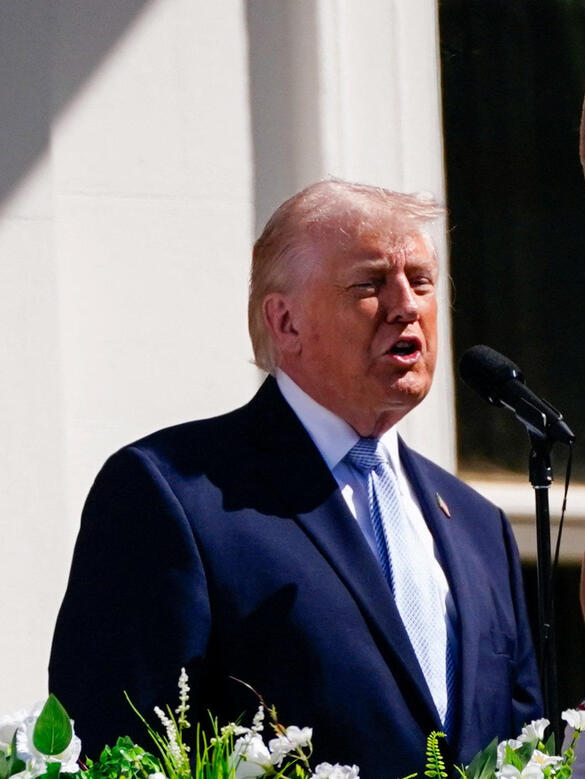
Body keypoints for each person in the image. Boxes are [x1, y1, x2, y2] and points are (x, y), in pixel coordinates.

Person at [49, 179, 542, 776]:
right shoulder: (174, 493)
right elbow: (116, 750)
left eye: (421, 281)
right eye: (369, 284)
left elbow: (521, 748)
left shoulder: (478, 526)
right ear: (285, 322)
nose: (406, 306)